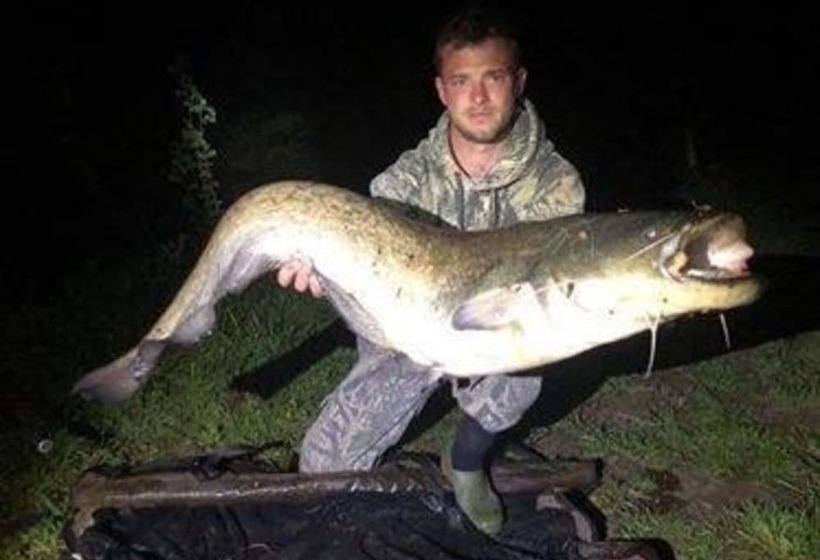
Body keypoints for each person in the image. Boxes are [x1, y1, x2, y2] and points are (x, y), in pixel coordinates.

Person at [276, 5, 585, 536]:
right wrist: (322, 274)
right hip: (407, 333)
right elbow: (363, 280)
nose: (478, 97)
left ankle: (467, 458)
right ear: (442, 90)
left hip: (498, 332)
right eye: (462, 81)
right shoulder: (400, 184)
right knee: (321, 469)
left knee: (527, 353)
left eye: (493, 78)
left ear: (519, 82)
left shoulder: (558, 185)